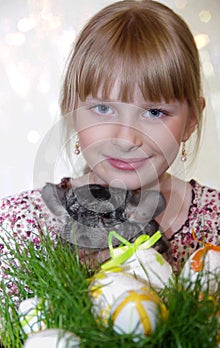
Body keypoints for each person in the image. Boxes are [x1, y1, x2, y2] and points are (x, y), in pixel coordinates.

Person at [0, 0, 219, 304]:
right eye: (103, 108)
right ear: (70, 111)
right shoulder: (17, 227)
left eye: (154, 112)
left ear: (191, 120)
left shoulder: (214, 225)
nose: (126, 139)